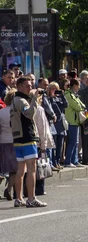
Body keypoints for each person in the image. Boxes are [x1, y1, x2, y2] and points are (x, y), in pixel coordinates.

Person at [10, 77, 47, 207]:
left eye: (31, 85)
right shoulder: (22, 101)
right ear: (19, 87)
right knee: (31, 168)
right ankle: (31, 198)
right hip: (27, 138)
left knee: (21, 170)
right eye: (27, 86)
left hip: (17, 139)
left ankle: (19, 198)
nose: (30, 88)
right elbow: (29, 114)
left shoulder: (14, 100)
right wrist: (35, 100)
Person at [63, 79, 86, 168]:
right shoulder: (68, 95)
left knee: (75, 142)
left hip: (75, 121)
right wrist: (81, 107)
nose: (79, 87)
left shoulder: (73, 95)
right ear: (74, 86)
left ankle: (74, 160)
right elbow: (78, 106)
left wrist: (82, 107)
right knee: (72, 142)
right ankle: (68, 161)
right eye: (78, 85)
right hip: (71, 121)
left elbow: (83, 105)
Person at [0, 94, 17, 201]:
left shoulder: (1, 112)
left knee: (2, 168)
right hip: (15, 141)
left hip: (3, 141)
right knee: (14, 169)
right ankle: (9, 188)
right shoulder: (16, 112)